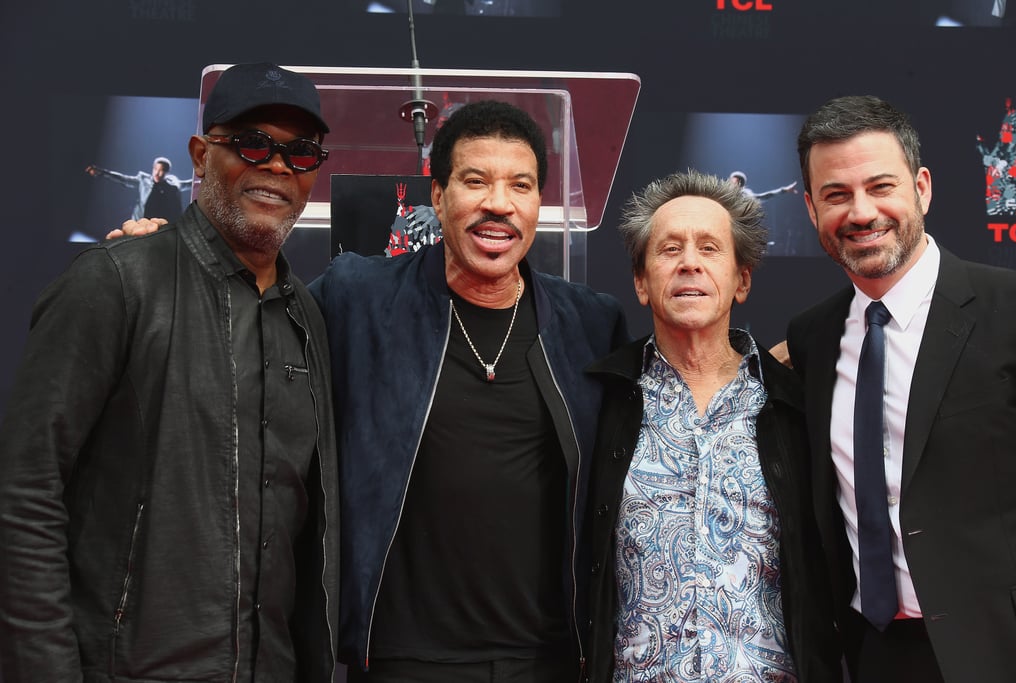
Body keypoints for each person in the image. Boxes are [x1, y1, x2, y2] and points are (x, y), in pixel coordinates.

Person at [0, 62, 339, 682]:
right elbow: (24, 496)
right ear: (201, 154)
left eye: (301, 152)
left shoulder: (308, 318)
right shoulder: (117, 280)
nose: (277, 166)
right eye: (253, 143)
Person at [309, 99, 629, 681]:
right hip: (404, 658)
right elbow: (259, 328)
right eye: (474, 181)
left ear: (539, 203)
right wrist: (166, 261)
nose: (498, 204)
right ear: (437, 196)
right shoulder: (359, 296)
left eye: (521, 185)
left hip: (549, 659)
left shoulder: (591, 324)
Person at [787, 94, 1016, 683]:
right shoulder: (812, 338)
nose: (862, 212)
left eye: (881, 186)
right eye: (837, 195)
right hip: (876, 653)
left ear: (922, 188)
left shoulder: (1013, 310)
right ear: (811, 207)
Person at [586, 170, 840, 682]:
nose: (689, 264)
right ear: (640, 281)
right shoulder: (602, 401)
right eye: (669, 249)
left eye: (709, 248)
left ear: (741, 280)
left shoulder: (791, 406)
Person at [86, 155, 194, 221]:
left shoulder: (173, 186)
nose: (158, 173)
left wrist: (207, 177)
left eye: (162, 171)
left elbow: (191, 184)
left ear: (166, 172)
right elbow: (123, 178)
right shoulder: (143, 180)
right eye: (156, 169)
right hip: (140, 223)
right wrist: (102, 173)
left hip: (159, 226)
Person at [728, 170, 798, 201]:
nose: (730, 182)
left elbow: (764, 196)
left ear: (739, 182)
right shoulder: (725, 193)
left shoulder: (744, 194)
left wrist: (783, 190)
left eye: (733, 181)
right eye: (731, 180)